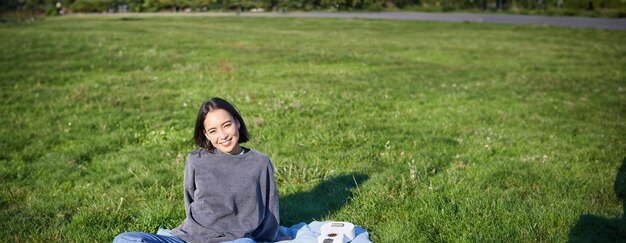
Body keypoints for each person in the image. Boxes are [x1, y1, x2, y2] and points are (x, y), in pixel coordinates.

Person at [114, 97, 281, 243]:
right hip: (190, 238)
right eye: (213, 131)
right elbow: (190, 199)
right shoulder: (196, 159)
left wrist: (268, 238)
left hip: (234, 239)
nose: (223, 135)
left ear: (237, 122)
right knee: (124, 239)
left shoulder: (259, 162)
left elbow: (270, 206)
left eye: (227, 125)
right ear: (206, 134)